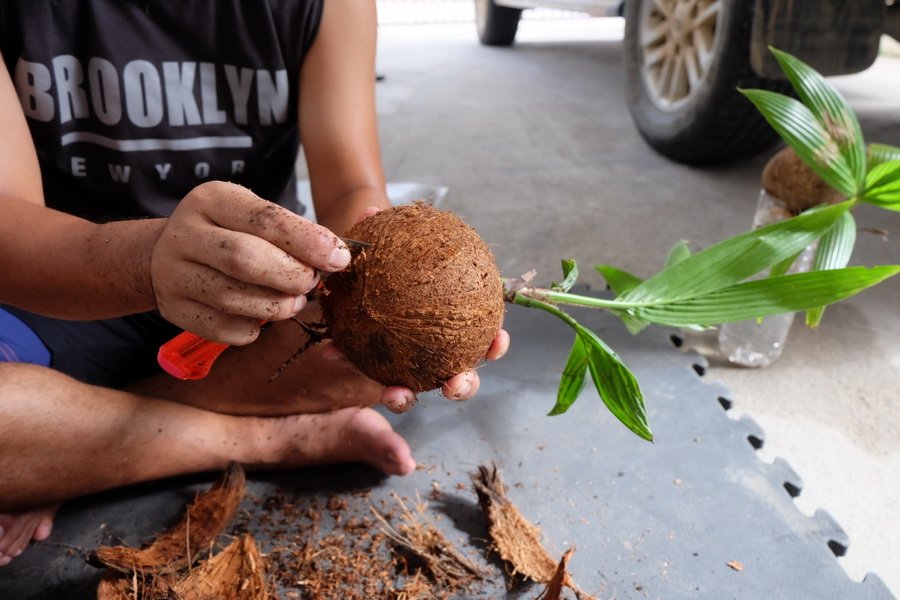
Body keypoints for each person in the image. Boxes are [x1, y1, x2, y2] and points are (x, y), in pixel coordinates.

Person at [0, 1, 509, 567]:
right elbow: (6, 220)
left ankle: (74, 437)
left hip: (265, 293)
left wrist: (401, 286)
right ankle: (274, 441)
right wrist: (148, 260)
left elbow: (350, 187)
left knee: (374, 357)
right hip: (69, 288)